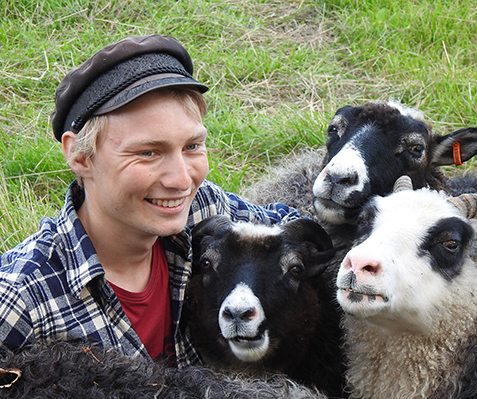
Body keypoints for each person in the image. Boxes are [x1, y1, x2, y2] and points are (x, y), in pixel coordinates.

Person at [0, 35, 301, 366]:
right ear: (81, 156)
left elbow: (293, 229)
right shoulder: (22, 301)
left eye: (192, 147)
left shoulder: (204, 210)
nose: (181, 180)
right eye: (148, 152)